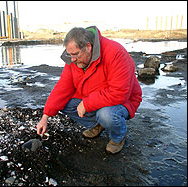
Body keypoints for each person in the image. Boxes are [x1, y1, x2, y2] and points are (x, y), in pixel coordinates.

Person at [36, 26, 142, 154]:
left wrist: (87, 103)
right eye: (69, 55)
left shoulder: (116, 53)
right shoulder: (73, 60)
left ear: (88, 47)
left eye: (75, 54)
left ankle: (118, 137)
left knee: (106, 115)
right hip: (96, 97)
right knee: (63, 103)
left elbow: (119, 93)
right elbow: (62, 88)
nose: (72, 59)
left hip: (123, 101)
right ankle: (98, 125)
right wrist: (45, 116)